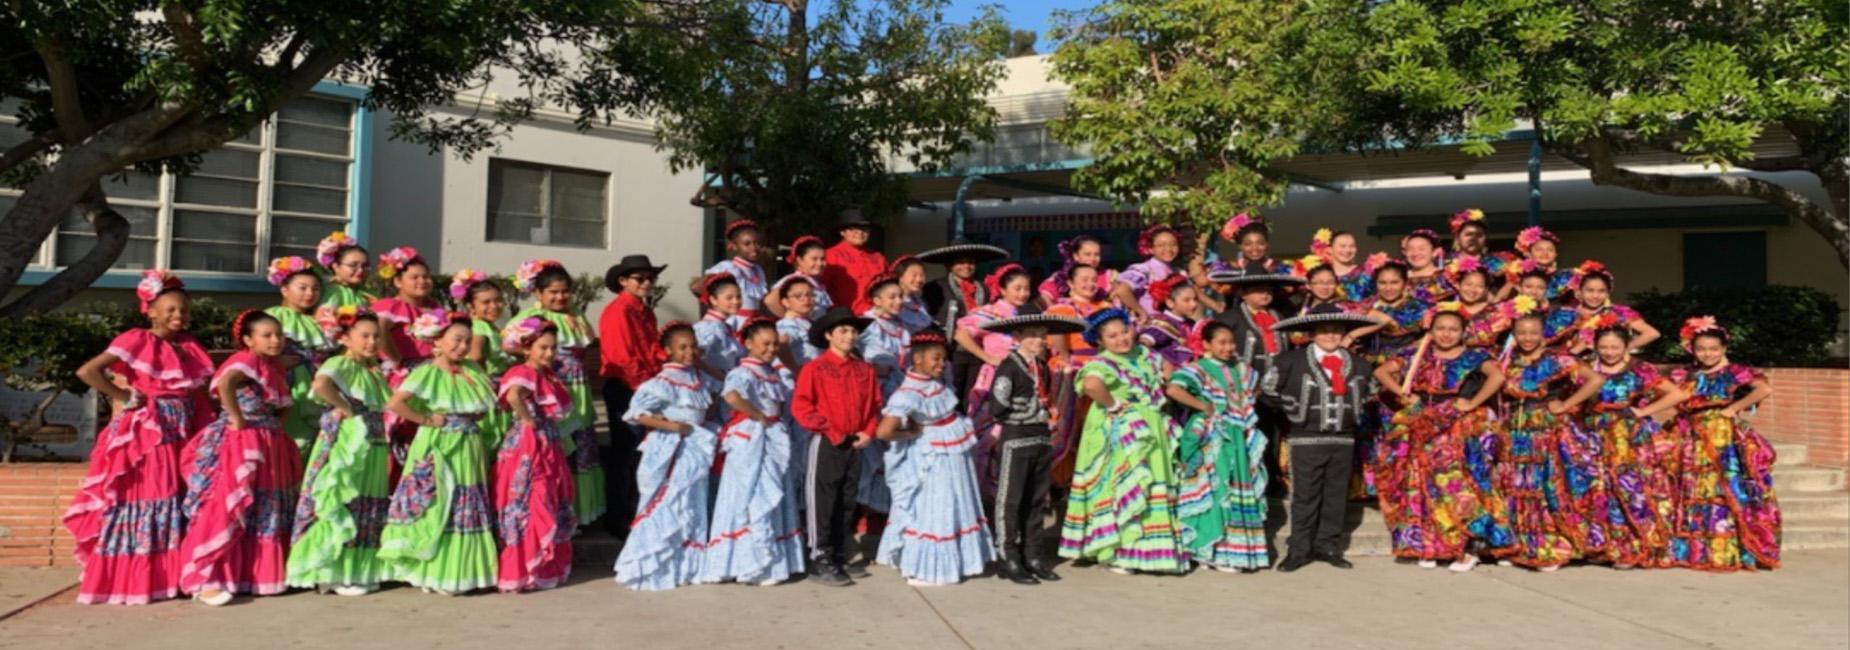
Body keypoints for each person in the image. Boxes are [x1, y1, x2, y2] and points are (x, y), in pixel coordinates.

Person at [66, 270, 213, 605]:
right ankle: (136, 581)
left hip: (183, 428)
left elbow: (199, 389)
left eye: (184, 310)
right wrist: (123, 395)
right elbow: (88, 371)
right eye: (171, 309)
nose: (179, 316)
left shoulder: (188, 345)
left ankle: (174, 577)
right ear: (151, 310)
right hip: (151, 430)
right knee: (153, 495)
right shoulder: (136, 339)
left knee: (178, 497)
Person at [177, 310, 303, 606]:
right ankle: (207, 578)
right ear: (248, 340)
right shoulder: (245, 361)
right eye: (266, 335)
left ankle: (255, 576)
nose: (275, 340)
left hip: (267, 441)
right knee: (229, 503)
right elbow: (225, 384)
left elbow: (282, 405)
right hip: (242, 441)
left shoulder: (269, 366)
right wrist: (236, 417)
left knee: (262, 506)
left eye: (278, 334)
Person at [1372, 304, 1509, 571]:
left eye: (1453, 329)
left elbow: (1498, 377)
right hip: (1423, 421)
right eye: (1441, 329)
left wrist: (1472, 402)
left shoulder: (1475, 356)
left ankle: (1470, 545)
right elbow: (1380, 372)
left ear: (1462, 332)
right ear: (1431, 331)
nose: (1446, 334)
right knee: (1422, 483)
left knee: (1457, 483)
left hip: (1457, 424)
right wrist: (1402, 393)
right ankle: (1431, 544)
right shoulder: (1417, 353)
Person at [379, 310, 499, 595]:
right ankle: (432, 568)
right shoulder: (427, 372)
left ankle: (461, 571)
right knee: (438, 499)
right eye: (456, 339)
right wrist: (426, 419)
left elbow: (482, 407)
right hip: (439, 443)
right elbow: (396, 403)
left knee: (463, 498)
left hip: (468, 443)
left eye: (467, 341)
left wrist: (470, 418)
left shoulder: (472, 371)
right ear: (438, 341)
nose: (462, 346)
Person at [1060, 308, 1186, 575]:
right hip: (1123, 432)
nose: (1121, 339)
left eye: (1124, 331)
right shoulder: (1101, 363)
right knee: (1125, 485)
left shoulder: (1144, 355)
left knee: (1150, 483)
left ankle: (1148, 551)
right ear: (1101, 341)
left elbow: (1168, 366)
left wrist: (1166, 379)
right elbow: (1092, 385)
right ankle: (1120, 551)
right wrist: (1115, 404)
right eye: (1112, 336)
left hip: (1150, 428)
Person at [1551, 327, 1688, 569]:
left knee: (1628, 488)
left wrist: (1643, 411)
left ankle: (1631, 546)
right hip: (1591, 434)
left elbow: (1675, 394)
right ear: (1595, 346)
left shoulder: (1640, 370)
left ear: (1626, 347)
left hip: (1627, 436)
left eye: (1615, 347)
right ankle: (1599, 545)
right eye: (1604, 347)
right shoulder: (1583, 369)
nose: (1609, 352)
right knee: (1595, 488)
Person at [1262, 306, 1381, 572]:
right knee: (1305, 495)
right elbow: (1268, 390)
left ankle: (1328, 546)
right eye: (1324, 330)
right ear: (1312, 333)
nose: (1330, 335)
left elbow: (1372, 392)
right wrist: (1294, 410)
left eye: (1336, 330)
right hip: (1305, 438)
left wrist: (1354, 411)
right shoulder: (1289, 361)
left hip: (1344, 439)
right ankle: (1299, 550)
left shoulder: (1359, 364)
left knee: (1336, 495)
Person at [874, 331, 996, 587]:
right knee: (935, 506)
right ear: (917, 359)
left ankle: (951, 561)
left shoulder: (934, 384)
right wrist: (910, 433)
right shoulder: (907, 393)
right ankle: (927, 568)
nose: (941, 364)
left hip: (951, 453)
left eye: (943, 359)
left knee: (952, 502)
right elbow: (884, 431)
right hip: (933, 455)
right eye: (936, 359)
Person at [287, 306, 393, 596]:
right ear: (345, 338)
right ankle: (334, 570)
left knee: (365, 501)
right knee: (342, 497)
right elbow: (321, 385)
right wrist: (346, 408)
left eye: (376, 336)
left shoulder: (371, 370)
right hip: (348, 440)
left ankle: (357, 568)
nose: (372, 341)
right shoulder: (341, 363)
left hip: (372, 440)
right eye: (364, 336)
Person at [1666, 317, 1780, 571]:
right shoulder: (1684, 374)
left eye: (1713, 349)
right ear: (1692, 349)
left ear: (1724, 349)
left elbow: (1763, 390)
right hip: (1689, 434)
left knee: (1721, 488)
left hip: (1721, 436)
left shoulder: (1733, 372)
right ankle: (1693, 550)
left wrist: (1733, 408)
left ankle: (1724, 550)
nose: (1708, 353)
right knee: (1689, 488)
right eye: (1702, 349)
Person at [979, 313, 1085, 584]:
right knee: (1010, 499)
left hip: (1041, 438)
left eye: (1042, 334)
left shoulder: (1041, 366)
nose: (1039, 340)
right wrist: (1028, 412)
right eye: (1032, 334)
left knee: (1037, 500)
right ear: (1017, 338)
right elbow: (997, 406)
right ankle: (1007, 556)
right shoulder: (1009, 367)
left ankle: (1033, 555)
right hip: (1016, 438)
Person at [614, 322, 720, 591]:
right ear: (668, 351)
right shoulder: (662, 382)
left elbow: (719, 390)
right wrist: (674, 426)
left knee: (692, 502)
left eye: (693, 346)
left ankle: (687, 562)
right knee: (670, 500)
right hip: (673, 447)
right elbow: (637, 413)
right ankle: (657, 561)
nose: (690, 352)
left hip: (695, 446)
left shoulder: (699, 379)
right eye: (682, 347)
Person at [701, 319, 806, 586]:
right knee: (751, 493)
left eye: (774, 344)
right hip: (752, 438)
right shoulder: (743, 372)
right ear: (748, 344)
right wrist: (758, 415)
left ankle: (770, 561)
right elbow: (732, 396)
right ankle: (750, 562)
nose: (771, 349)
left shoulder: (769, 372)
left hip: (770, 436)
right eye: (765, 344)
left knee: (772, 489)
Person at [1168, 321, 1270, 573]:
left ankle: (1226, 550)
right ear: (1206, 344)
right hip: (1212, 437)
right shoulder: (1198, 369)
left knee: (1234, 486)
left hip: (1237, 435)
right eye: (1221, 343)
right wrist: (1203, 406)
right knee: (1214, 488)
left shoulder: (1242, 369)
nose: (1228, 347)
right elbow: (1173, 389)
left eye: (1231, 342)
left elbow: (1252, 393)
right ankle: (1207, 550)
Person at [791, 307, 880, 586]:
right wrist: (830, 430)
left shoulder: (864, 370)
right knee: (823, 499)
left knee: (847, 498)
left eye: (853, 331)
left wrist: (869, 431)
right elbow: (801, 405)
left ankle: (840, 553)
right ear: (829, 335)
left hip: (855, 441)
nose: (849, 335)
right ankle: (820, 556)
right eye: (843, 330)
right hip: (828, 441)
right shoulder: (815, 368)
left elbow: (875, 406)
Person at [510, 260, 603, 528]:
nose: (560, 297)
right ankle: (551, 514)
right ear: (539, 293)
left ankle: (579, 515)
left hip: (579, 390)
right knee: (557, 451)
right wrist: (542, 363)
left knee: (581, 449)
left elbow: (589, 339)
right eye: (553, 292)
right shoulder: (533, 319)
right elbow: (509, 343)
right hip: (552, 391)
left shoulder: (575, 314)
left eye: (564, 291)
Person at [1495, 310, 1589, 571]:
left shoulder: (1558, 360)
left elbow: (1594, 380)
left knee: (1542, 487)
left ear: (1543, 334)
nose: (1527, 338)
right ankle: (1517, 544)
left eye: (1533, 333)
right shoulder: (1506, 361)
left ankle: (1550, 544)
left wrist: (1567, 403)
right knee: (1515, 486)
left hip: (1544, 428)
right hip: (1514, 429)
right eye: (1522, 332)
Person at [493, 317, 578, 592]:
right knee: (532, 499)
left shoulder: (546, 375)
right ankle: (526, 567)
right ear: (527, 348)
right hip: (529, 443)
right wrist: (528, 420)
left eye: (552, 348)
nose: (549, 353)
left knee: (547, 497)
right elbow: (514, 396)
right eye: (543, 347)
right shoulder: (524, 371)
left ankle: (538, 566)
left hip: (546, 440)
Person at [598, 254, 667, 539]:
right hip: (627, 387)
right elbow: (622, 358)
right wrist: (647, 390)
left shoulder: (644, 311)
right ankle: (619, 516)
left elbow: (652, 350)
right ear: (623, 281)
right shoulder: (619, 312)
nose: (647, 283)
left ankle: (639, 510)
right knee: (625, 451)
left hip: (645, 386)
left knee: (642, 452)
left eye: (650, 278)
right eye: (640, 278)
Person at [918, 242, 1010, 401]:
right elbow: (928, 318)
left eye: (970, 262)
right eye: (960, 262)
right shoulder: (935, 287)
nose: (966, 266)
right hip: (950, 352)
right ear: (949, 265)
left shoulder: (984, 288)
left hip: (979, 352)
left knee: (974, 396)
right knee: (949, 395)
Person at [265, 256, 330, 453]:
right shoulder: (275, 315)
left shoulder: (318, 320)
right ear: (285, 289)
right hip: (288, 382)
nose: (310, 293)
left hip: (315, 381)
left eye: (316, 288)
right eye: (302, 287)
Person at [954, 264, 1034, 412]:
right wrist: (988, 358)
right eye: (1017, 289)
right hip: (997, 374)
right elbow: (961, 334)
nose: (1023, 293)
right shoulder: (990, 313)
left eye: (1026, 289)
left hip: (1024, 374)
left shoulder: (1029, 313)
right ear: (1003, 290)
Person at [455, 270, 512, 451]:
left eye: (498, 300)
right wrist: (484, 384)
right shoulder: (479, 327)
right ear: (471, 307)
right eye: (486, 302)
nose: (494, 306)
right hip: (490, 388)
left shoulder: (489, 326)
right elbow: (476, 356)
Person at [1553, 260, 1660, 356]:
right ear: (1579, 292)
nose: (1595, 296)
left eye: (1601, 291)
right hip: (1571, 366)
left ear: (1608, 292)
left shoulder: (1619, 312)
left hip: (1607, 368)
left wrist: (1624, 349)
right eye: (1590, 290)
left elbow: (1652, 333)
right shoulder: (1566, 313)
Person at [1113, 223, 1184, 320]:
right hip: (1149, 328)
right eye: (1161, 245)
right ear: (1150, 249)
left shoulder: (1178, 272)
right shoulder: (1144, 270)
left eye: (1173, 244)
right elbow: (1122, 290)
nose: (1168, 249)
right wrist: (1142, 313)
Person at [705, 219, 770, 325]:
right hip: (734, 322)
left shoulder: (758, 270)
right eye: (747, 244)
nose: (753, 247)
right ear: (734, 246)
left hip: (754, 323)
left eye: (757, 243)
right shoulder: (727, 267)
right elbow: (699, 289)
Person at [1139, 275, 1203, 370]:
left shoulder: (1190, 324)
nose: (1194, 304)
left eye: (1195, 299)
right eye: (1187, 300)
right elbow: (1142, 346)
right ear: (1170, 302)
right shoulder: (1161, 322)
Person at [822, 219, 888, 312]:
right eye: (854, 229)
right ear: (842, 232)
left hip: (877, 317)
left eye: (864, 229)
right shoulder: (831, 255)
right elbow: (821, 289)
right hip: (847, 317)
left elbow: (888, 287)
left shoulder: (878, 257)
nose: (860, 233)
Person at [692, 273, 747, 382]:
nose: (736, 301)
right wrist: (721, 378)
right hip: (713, 385)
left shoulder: (724, 326)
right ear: (713, 300)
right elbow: (694, 357)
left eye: (738, 297)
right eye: (729, 298)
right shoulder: (708, 327)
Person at [764, 235, 834, 319]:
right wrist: (791, 320)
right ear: (799, 260)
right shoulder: (793, 280)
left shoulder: (816, 282)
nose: (819, 263)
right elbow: (770, 301)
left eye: (822, 259)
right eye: (814, 259)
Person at [1037, 235, 1116, 307]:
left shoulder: (1109, 276)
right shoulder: (1061, 276)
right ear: (1076, 256)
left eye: (1097, 254)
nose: (1093, 259)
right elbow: (1044, 298)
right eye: (1087, 254)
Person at [316, 231, 376, 309]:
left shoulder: (370, 292)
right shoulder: (331, 291)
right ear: (336, 266)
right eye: (353, 265)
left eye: (365, 266)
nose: (361, 270)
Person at [1515, 226, 1575, 301]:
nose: (1545, 253)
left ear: (1556, 254)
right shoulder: (1518, 274)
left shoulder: (1568, 276)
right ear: (1529, 253)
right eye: (1539, 249)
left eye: (1550, 250)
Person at [1401, 229, 1452, 304]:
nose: (1415, 253)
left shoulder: (1447, 277)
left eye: (1422, 249)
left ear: (1434, 252)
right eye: (1410, 249)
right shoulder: (1400, 277)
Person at [890, 256, 936, 334]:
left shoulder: (920, 302)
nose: (919, 280)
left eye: (922, 275)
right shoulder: (891, 303)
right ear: (900, 277)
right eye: (914, 275)